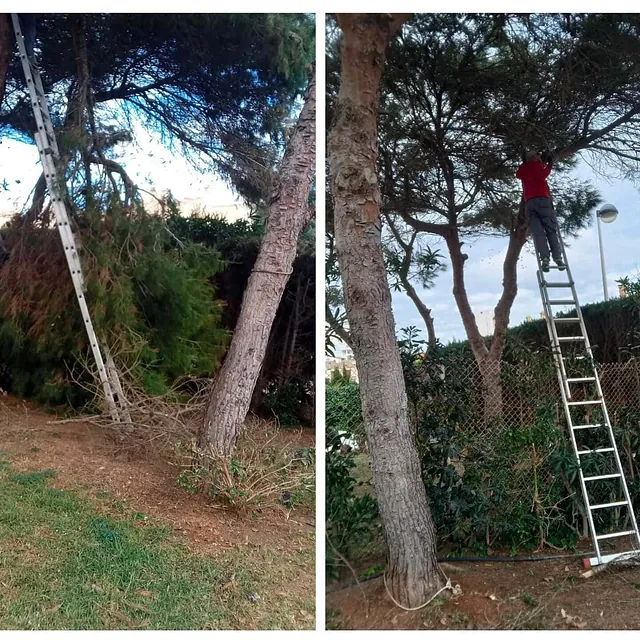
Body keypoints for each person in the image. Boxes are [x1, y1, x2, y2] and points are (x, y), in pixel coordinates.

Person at [516, 149, 565, 273]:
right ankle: (557, 257)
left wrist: (524, 163)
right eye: (537, 156)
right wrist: (550, 164)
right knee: (550, 229)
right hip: (542, 200)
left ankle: (544, 258)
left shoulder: (524, 169)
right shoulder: (536, 166)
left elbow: (518, 174)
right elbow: (544, 174)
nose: (539, 158)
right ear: (533, 157)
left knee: (538, 233)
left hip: (530, 203)